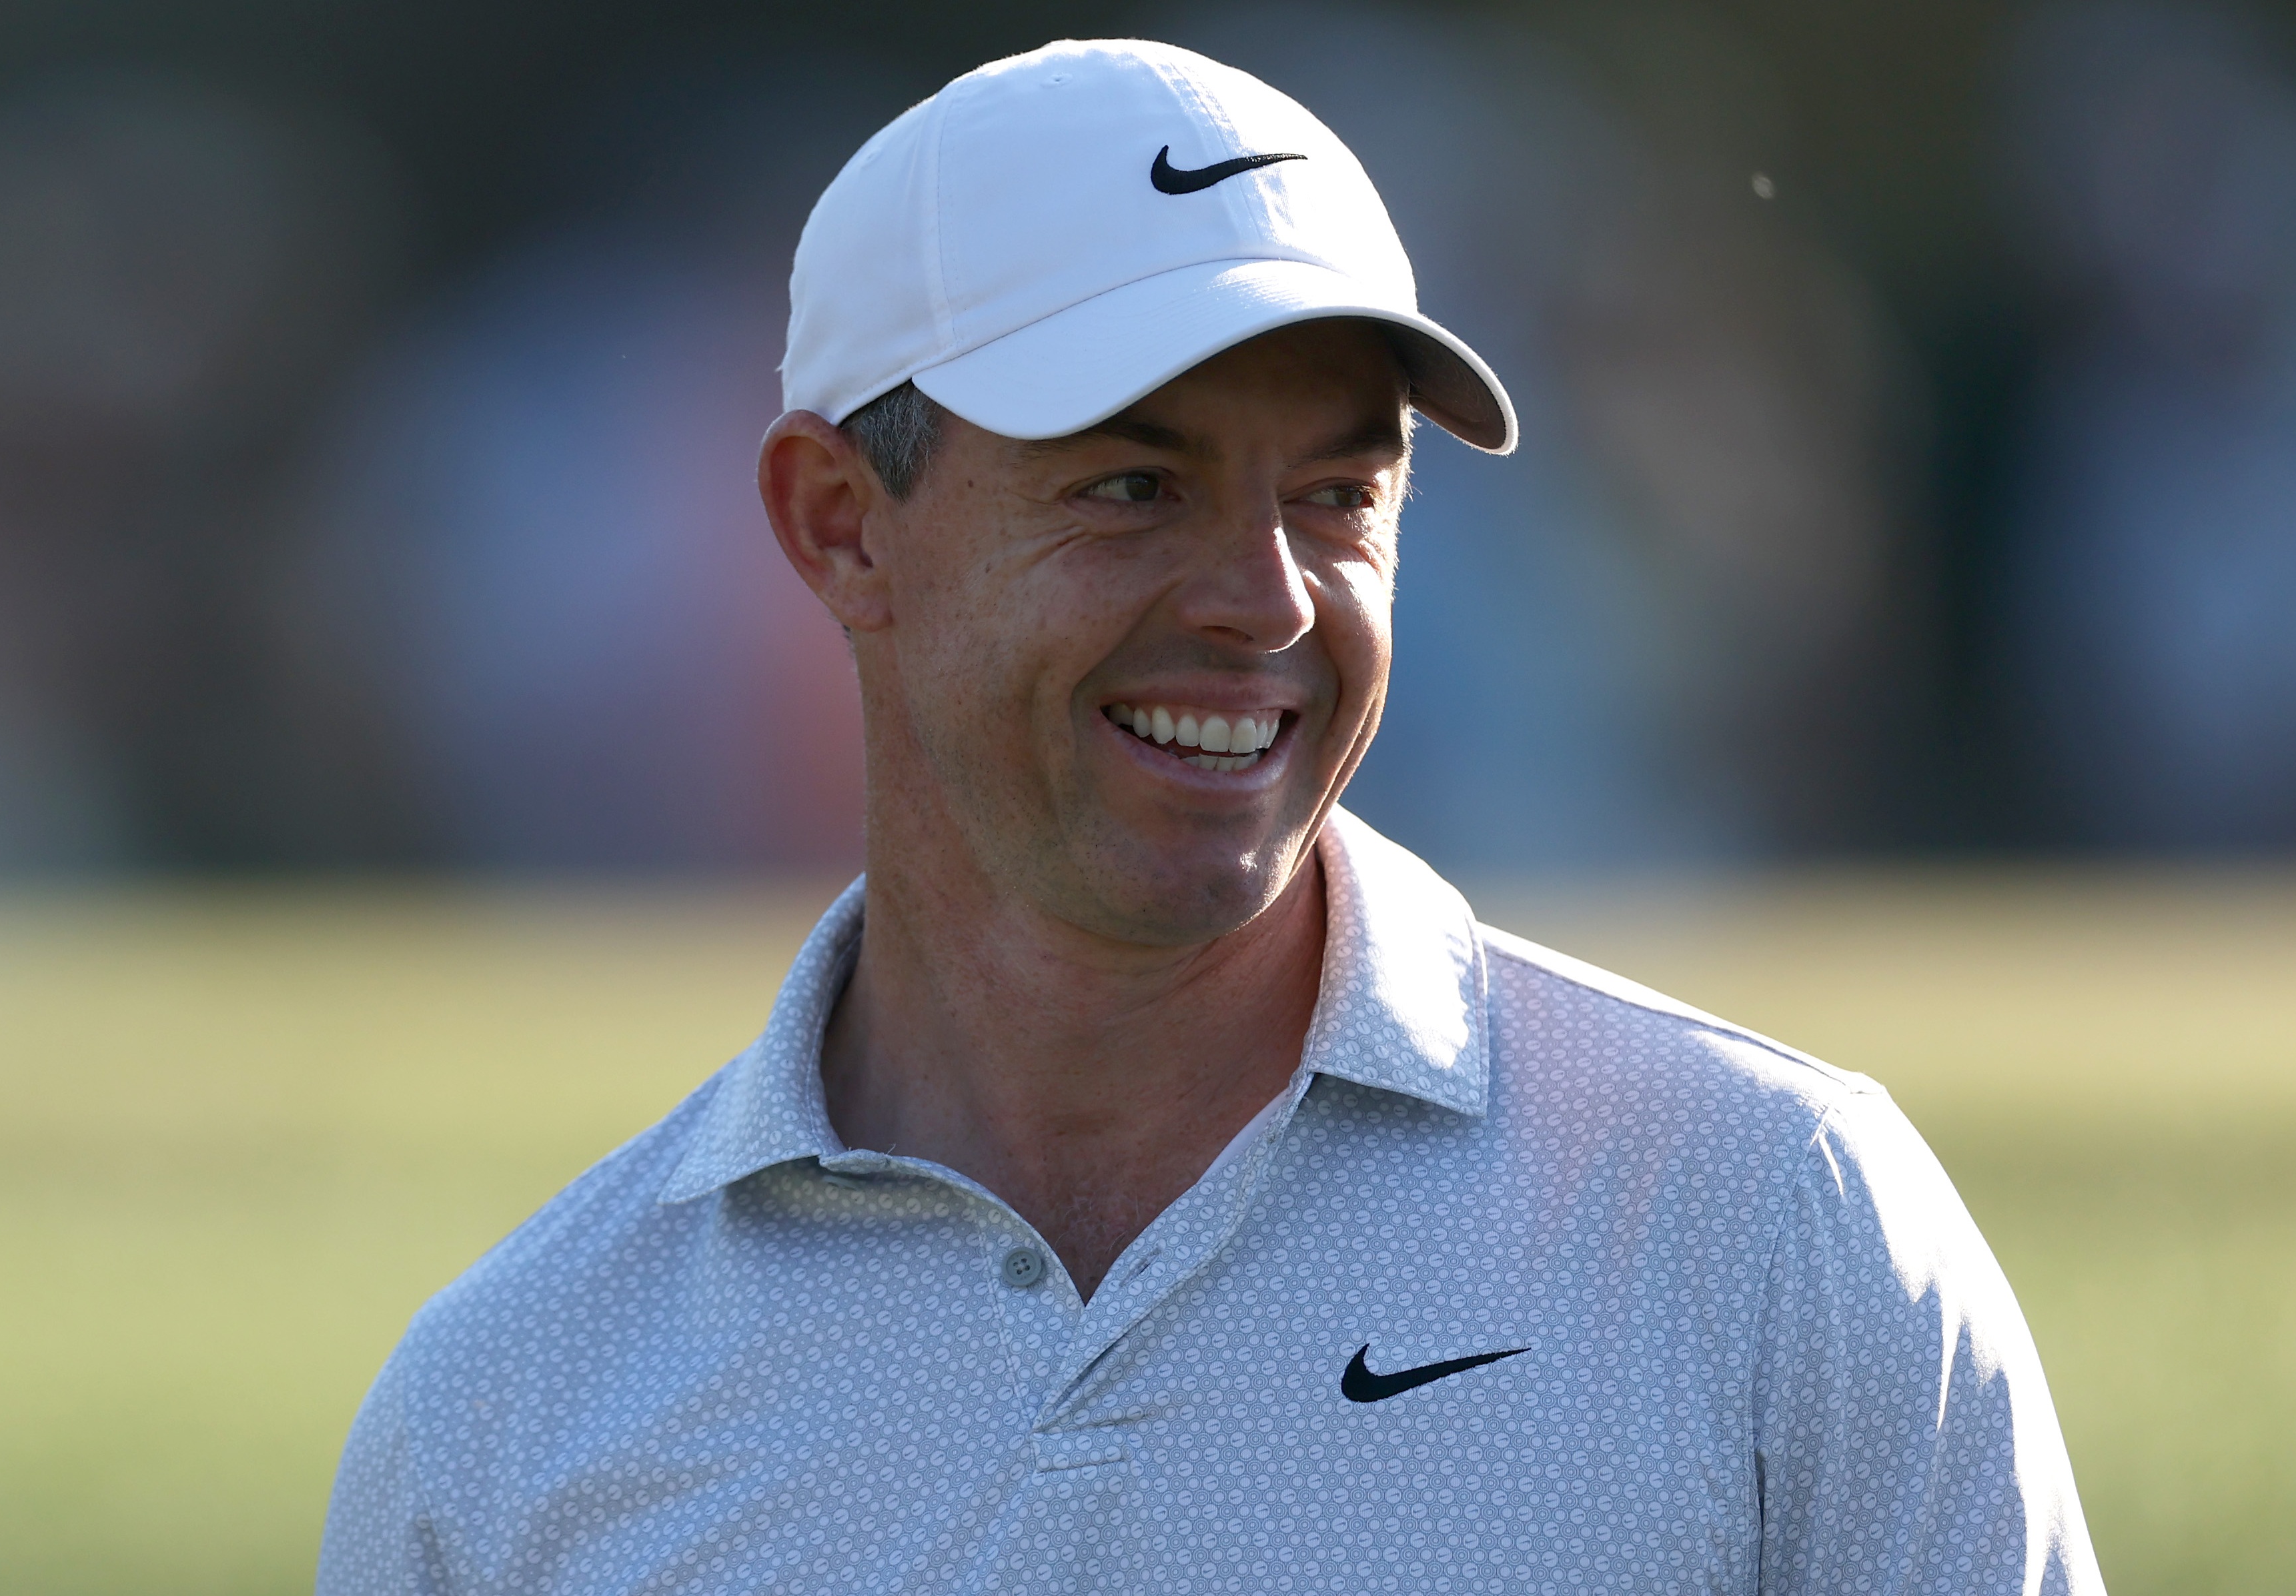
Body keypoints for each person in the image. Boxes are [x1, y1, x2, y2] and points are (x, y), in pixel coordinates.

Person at [318, 39, 2101, 1595]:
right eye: (1133, 484)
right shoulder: (518, 1406)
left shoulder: (1774, 1227)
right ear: (842, 526)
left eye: (1338, 493)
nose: (1266, 598)